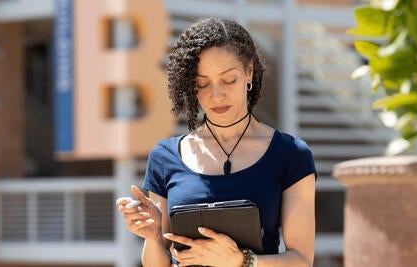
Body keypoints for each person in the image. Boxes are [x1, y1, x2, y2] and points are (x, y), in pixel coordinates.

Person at [116, 17, 316, 267]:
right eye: (202, 84)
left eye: (228, 80)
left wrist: (242, 261)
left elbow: (302, 260)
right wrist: (153, 237)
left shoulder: (291, 154)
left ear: (249, 72)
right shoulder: (165, 156)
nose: (217, 94)